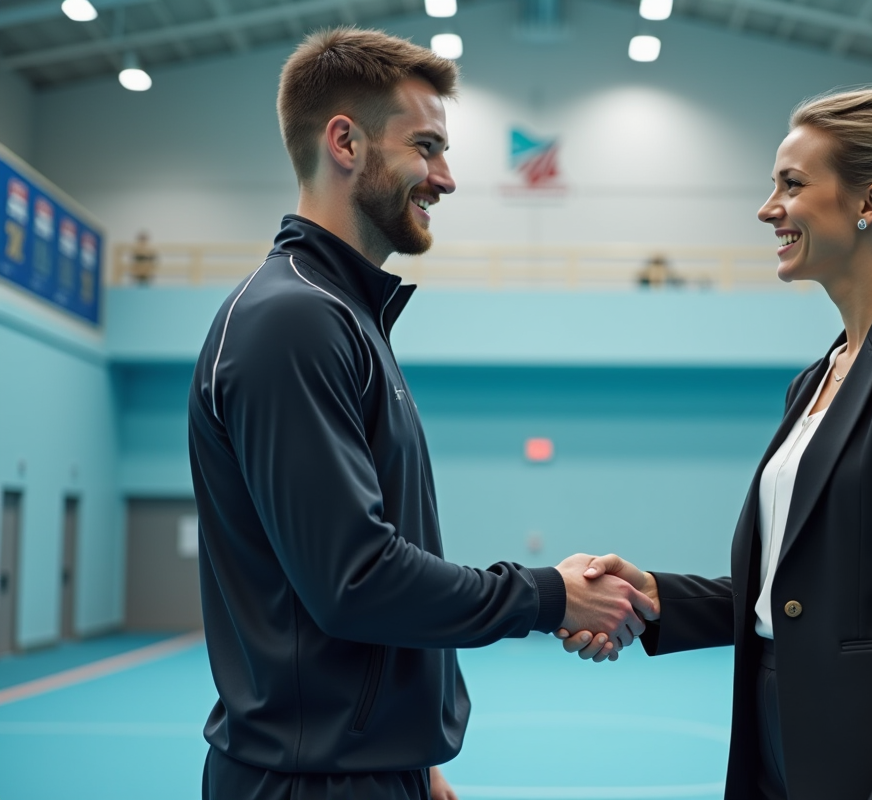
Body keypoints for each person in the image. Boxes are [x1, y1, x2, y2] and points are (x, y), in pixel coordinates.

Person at [187, 28, 653, 800]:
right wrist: (550, 594)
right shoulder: (293, 321)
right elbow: (355, 579)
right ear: (345, 142)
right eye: (427, 147)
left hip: (359, 768)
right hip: (311, 784)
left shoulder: (342, 316)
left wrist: (406, 753)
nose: (447, 178)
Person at [559, 88, 872, 800]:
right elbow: (794, 592)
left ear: (870, 202)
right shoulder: (814, 379)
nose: (769, 208)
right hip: (778, 737)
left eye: (792, 184)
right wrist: (653, 597)